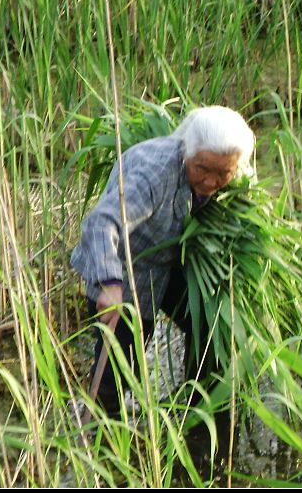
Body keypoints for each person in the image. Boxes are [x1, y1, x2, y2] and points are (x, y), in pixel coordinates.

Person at [70, 105, 255, 416]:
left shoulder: (231, 166)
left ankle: (199, 409)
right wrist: (109, 285)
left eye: (223, 173)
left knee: (212, 325)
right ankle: (97, 431)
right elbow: (102, 223)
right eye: (202, 169)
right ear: (187, 152)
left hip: (168, 265)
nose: (211, 182)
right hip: (124, 268)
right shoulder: (154, 174)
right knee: (119, 368)